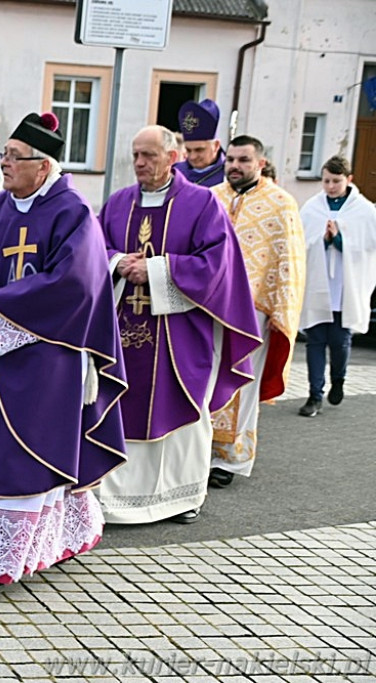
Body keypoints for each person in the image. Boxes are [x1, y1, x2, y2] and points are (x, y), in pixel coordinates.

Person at [0, 112, 127, 604]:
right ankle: (59, 536)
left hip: (48, 358)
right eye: (2, 154)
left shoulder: (73, 213)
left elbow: (77, 283)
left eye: (12, 157)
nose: (2, 164)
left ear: (42, 166)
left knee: (23, 454)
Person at [96, 125, 260, 525]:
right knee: (117, 402)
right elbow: (93, 250)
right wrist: (119, 263)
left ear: (173, 157)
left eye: (149, 155)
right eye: (135, 154)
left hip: (179, 334)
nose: (139, 163)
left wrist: (154, 269)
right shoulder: (117, 204)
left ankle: (181, 497)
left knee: (185, 406)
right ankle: (112, 500)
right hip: (122, 327)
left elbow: (217, 265)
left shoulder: (202, 204)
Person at [209, 135, 305, 486]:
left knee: (242, 383)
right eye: (231, 159)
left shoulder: (281, 203)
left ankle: (232, 460)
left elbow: (289, 262)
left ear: (260, 163)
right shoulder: (212, 199)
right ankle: (201, 452)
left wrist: (280, 311)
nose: (235, 166)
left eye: (244, 160)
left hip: (255, 309)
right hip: (211, 306)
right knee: (208, 380)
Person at [298, 155, 376, 417]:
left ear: (349, 180)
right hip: (317, 286)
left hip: (345, 288)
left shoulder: (364, 211)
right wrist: (322, 239)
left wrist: (340, 240)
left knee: (339, 342)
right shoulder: (311, 208)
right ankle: (314, 394)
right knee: (315, 340)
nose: (330, 187)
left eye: (336, 181)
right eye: (326, 181)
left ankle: (339, 379)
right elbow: (301, 242)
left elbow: (369, 248)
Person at [174, 98, 226, 187]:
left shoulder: (230, 174)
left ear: (216, 146)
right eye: (188, 150)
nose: (192, 157)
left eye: (199, 150)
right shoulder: (175, 172)